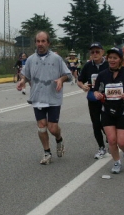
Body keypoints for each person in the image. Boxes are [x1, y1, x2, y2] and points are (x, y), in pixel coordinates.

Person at [17, 31, 72, 165]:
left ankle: (59, 139)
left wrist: (61, 79)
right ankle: (47, 152)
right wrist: (23, 81)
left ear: (48, 43)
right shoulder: (30, 59)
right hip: (37, 97)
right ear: (35, 43)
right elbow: (26, 75)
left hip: (53, 97)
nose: (40, 44)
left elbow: (68, 75)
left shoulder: (56, 59)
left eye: (43, 41)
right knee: (42, 127)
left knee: (53, 128)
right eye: (38, 41)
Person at [93, 47, 124, 174]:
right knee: (112, 140)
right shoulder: (103, 75)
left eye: (115, 58)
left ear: (120, 60)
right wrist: (97, 94)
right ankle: (116, 162)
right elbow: (96, 89)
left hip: (123, 111)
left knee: (121, 142)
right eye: (110, 58)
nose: (112, 60)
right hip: (107, 111)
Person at [77, 42, 109, 159]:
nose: (95, 54)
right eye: (92, 52)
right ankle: (101, 147)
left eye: (97, 51)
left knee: (107, 122)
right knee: (96, 123)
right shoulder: (88, 66)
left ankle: (110, 138)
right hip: (93, 98)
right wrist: (83, 86)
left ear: (102, 52)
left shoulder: (109, 64)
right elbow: (80, 80)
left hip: (108, 99)